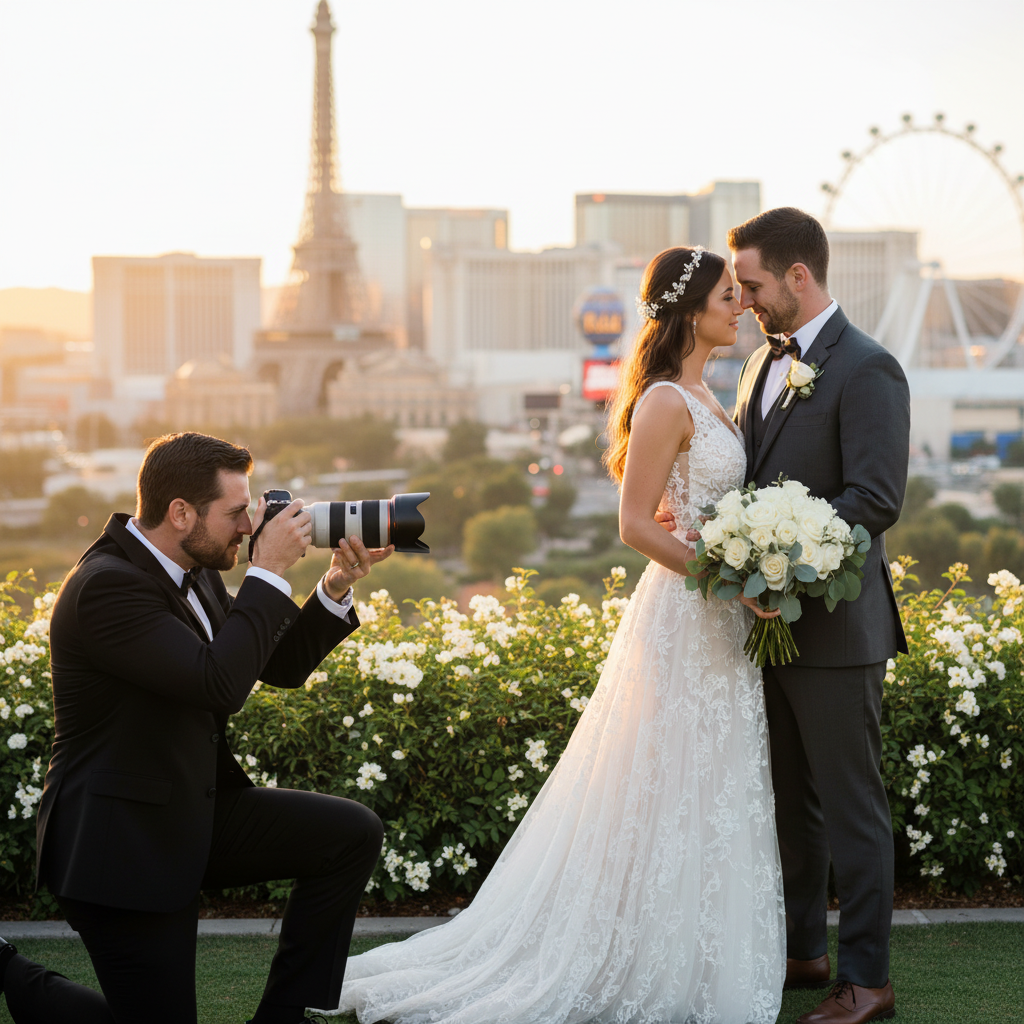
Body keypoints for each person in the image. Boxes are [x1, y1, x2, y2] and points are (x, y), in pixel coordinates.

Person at [330, 247, 786, 1024]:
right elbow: (635, 524)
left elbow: (691, 507)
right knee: (662, 785)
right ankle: (628, 955)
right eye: (725, 295)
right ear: (688, 310)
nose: (739, 304)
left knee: (708, 782)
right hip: (688, 613)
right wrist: (730, 579)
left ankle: (695, 952)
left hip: (720, 619)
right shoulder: (664, 402)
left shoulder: (710, 393)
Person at [0, 432, 392, 1024]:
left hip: (190, 811)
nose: (248, 527)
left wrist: (334, 586)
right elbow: (218, 685)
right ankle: (9, 970)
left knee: (350, 833)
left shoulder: (195, 566)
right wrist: (267, 569)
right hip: (120, 844)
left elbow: (274, 665)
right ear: (181, 513)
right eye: (236, 513)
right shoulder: (106, 587)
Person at [664, 208, 909, 1024]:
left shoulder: (869, 368)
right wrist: (716, 534)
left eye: (754, 285)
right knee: (788, 803)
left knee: (852, 807)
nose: (745, 300)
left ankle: (866, 980)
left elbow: (875, 497)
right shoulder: (756, 364)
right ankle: (804, 952)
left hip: (836, 629)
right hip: (762, 623)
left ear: (798, 277)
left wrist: (784, 545)